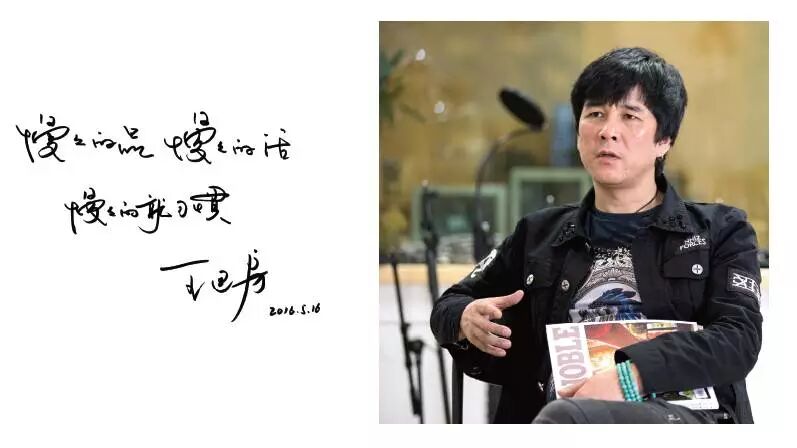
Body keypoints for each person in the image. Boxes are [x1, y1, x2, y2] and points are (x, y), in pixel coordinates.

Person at [430, 47, 762, 423]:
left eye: (629, 116)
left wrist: (629, 377)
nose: (608, 131)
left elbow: (738, 338)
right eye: (596, 114)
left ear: (664, 140)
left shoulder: (721, 231)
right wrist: (465, 318)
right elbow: (450, 304)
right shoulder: (538, 234)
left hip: (677, 420)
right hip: (554, 413)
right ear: (578, 132)